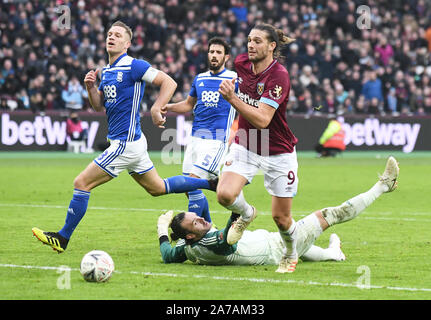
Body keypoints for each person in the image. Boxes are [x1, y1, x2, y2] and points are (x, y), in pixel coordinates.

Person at [32, 21, 218, 253]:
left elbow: (169, 82)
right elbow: (98, 106)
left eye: (118, 35)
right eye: (109, 33)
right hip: (133, 144)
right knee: (158, 188)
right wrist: (90, 88)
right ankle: (210, 183)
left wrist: (156, 108)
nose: (112, 37)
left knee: (81, 183)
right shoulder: (107, 71)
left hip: (125, 144)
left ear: (127, 43)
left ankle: (62, 238)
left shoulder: (134, 66)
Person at [157, 157, 399, 266]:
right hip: (278, 249)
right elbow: (226, 242)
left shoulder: (188, 251)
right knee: (330, 215)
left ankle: (334, 254)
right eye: (195, 223)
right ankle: (383, 186)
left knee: (306, 248)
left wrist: (161, 229)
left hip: (273, 242)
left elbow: (167, 254)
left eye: (195, 217)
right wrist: (237, 211)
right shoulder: (211, 244)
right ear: (190, 236)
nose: (200, 219)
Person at [216, 23, 300, 273]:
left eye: (257, 41)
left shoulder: (279, 76)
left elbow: (263, 119)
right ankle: (246, 214)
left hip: (278, 150)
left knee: (281, 219)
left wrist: (233, 98)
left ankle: (291, 253)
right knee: (225, 195)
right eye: (249, 40)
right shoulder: (242, 63)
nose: (250, 45)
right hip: (247, 144)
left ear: (272, 46)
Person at [162, 37, 236, 223]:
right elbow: (188, 105)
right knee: (189, 189)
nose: (214, 55)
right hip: (195, 140)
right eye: (211, 51)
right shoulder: (200, 78)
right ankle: (208, 227)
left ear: (226, 57)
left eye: (218, 52)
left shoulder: (234, 78)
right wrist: (168, 106)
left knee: (192, 180)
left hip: (216, 141)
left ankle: (192, 231)